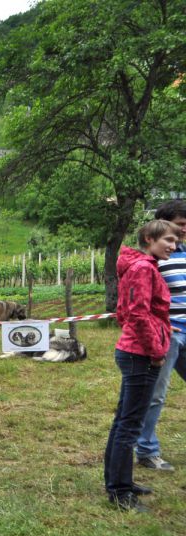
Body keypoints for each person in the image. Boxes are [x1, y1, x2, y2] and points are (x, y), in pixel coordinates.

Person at [104, 219, 178, 512]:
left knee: (124, 420)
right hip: (141, 356)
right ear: (149, 238)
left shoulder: (142, 267)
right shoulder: (143, 269)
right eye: (168, 240)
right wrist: (156, 349)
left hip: (136, 351)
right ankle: (120, 492)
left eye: (175, 241)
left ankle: (119, 481)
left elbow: (127, 312)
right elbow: (136, 314)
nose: (173, 246)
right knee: (129, 425)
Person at [137, 200, 186, 472]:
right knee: (156, 394)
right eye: (179, 225)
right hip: (169, 336)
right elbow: (140, 302)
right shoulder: (153, 260)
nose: (183, 231)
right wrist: (162, 325)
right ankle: (146, 450)